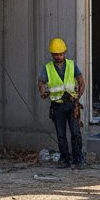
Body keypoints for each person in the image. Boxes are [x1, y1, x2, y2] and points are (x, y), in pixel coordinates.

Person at [38, 38, 85, 169]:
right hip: (57, 105)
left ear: (64, 53)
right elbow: (41, 82)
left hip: (71, 104)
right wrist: (43, 92)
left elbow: (81, 81)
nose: (59, 57)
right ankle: (65, 159)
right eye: (56, 55)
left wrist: (78, 97)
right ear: (52, 55)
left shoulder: (71, 65)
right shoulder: (47, 68)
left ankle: (78, 159)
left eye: (61, 54)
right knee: (61, 135)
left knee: (75, 133)